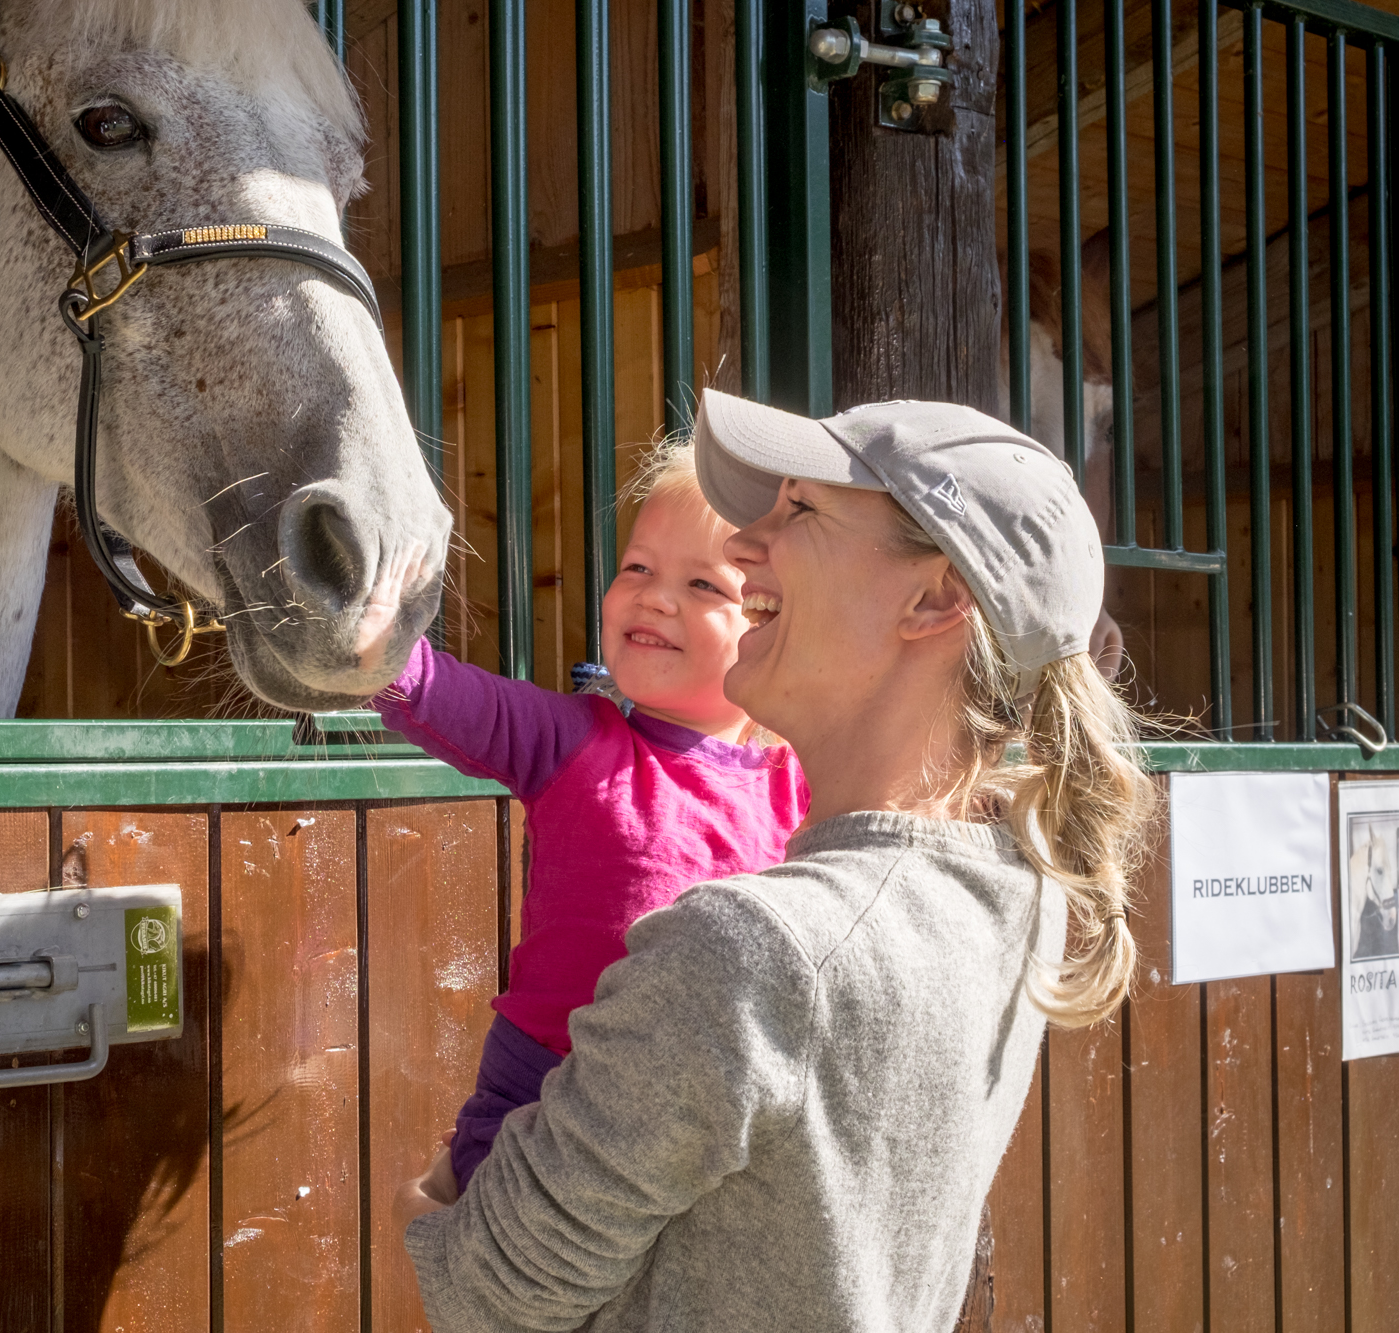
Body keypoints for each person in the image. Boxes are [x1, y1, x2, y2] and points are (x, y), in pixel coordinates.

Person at [396, 390, 1160, 1332]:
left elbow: (483, 1292)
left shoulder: (754, 953)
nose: (748, 544)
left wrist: (431, 1214)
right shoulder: (1020, 890)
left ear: (936, 598)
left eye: (799, 510)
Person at [371, 442, 812, 1198]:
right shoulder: (574, 737)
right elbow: (446, 693)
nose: (655, 597)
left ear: (774, 627)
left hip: (705, 1131)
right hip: (538, 1113)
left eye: (703, 584)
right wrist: (374, 642)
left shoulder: (798, 785)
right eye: (637, 568)